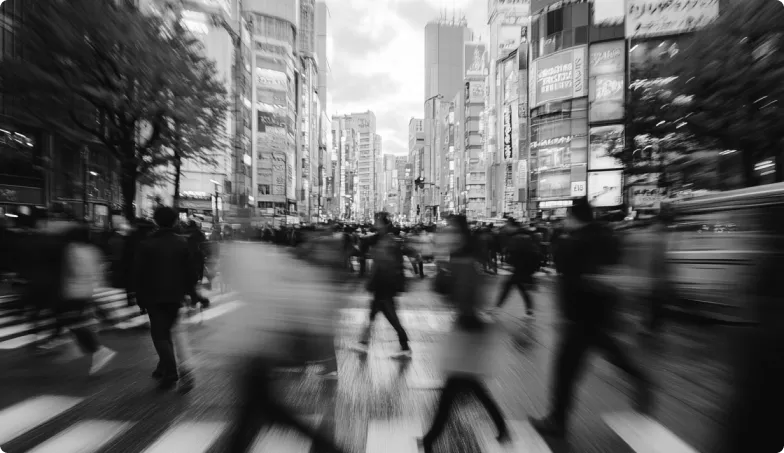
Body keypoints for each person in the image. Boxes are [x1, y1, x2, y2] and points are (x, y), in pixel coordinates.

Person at [529, 197, 651, 439]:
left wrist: (565, 314)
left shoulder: (575, 242)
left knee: (565, 371)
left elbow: (570, 279)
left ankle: (557, 420)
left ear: (574, 218)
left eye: (567, 217)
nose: (564, 221)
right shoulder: (609, 237)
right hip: (602, 313)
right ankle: (640, 380)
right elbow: (611, 271)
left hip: (579, 316)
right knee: (613, 354)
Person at [419, 215, 508, 453]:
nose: (445, 234)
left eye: (450, 230)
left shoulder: (464, 261)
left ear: (460, 234)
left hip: (468, 328)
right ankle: (501, 426)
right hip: (467, 326)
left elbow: (454, 293)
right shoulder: (460, 258)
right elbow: (444, 289)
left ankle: (430, 439)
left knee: (453, 386)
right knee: (470, 383)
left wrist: (443, 269)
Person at [134, 206, 196, 392]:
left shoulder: (146, 244)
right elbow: (190, 273)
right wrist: (192, 293)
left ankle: (170, 372)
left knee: (160, 335)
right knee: (167, 331)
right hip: (175, 295)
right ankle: (166, 368)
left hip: (153, 295)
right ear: (175, 221)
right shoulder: (182, 243)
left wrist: (139, 298)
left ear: (156, 221)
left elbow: (139, 274)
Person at [56, 223, 117, 374]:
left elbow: (68, 271)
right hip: (87, 289)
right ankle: (78, 347)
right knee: (75, 320)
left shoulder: (71, 250)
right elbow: (99, 270)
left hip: (72, 290)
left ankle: (98, 350)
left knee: (70, 320)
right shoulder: (93, 250)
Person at [352, 212, 411, 359]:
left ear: (384, 224)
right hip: (382, 285)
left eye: (378, 222)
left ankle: (404, 347)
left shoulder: (388, 242)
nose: (375, 224)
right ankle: (363, 343)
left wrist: (374, 282)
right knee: (373, 315)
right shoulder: (383, 239)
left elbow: (385, 266)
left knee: (391, 317)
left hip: (384, 286)